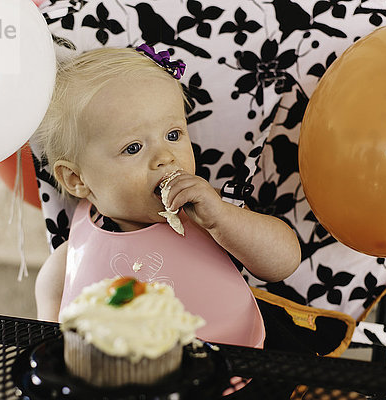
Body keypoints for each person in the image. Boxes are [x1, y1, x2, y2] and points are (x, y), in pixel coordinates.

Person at [33, 45, 301, 349]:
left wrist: (223, 218)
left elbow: (285, 262)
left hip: (238, 362)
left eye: (173, 135)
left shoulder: (208, 215)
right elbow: (52, 353)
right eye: (133, 148)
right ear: (76, 179)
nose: (165, 157)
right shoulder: (67, 264)